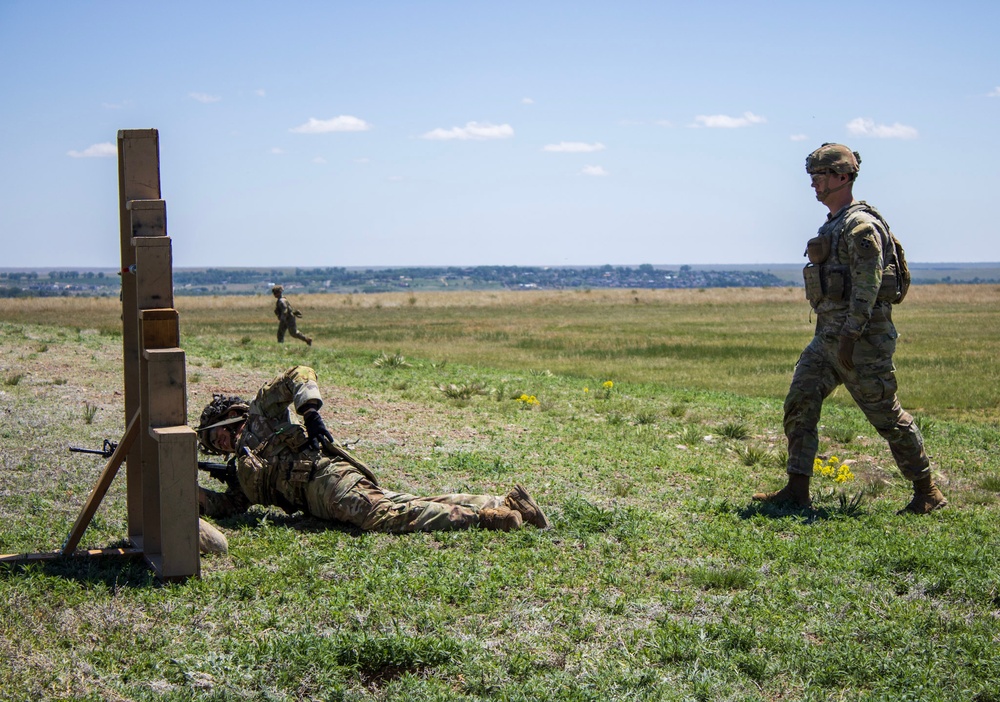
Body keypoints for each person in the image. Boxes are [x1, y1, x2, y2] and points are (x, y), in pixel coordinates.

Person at [753, 143, 946, 515]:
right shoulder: (835, 223)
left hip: (860, 342)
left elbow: (868, 287)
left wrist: (849, 337)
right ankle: (796, 491)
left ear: (842, 177)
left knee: (886, 416)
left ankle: (927, 491)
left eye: (820, 176)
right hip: (827, 338)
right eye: (812, 177)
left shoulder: (860, 226)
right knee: (800, 402)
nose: (814, 184)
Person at [195, 365, 550, 533]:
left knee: (383, 515)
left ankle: (486, 520)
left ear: (230, 415)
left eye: (219, 436)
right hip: (320, 502)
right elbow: (229, 507)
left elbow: (298, 374)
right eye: (215, 447)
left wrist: (310, 411)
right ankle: (500, 503)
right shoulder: (242, 474)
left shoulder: (260, 413)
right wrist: (191, 493)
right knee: (402, 502)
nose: (221, 445)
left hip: (328, 478)